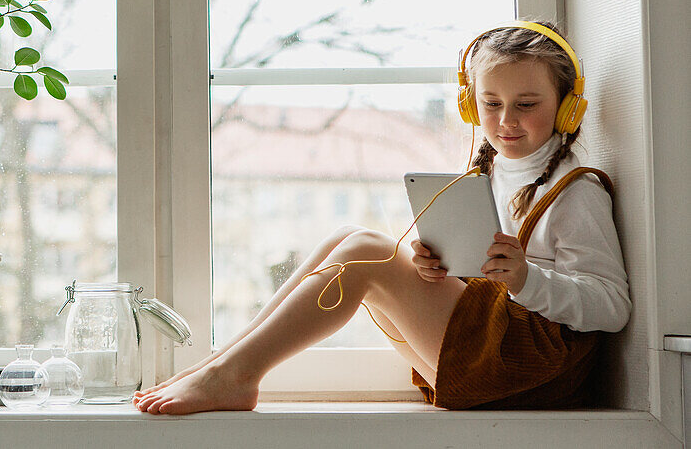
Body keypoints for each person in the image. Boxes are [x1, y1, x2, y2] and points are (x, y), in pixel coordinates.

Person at [133, 22, 631, 414]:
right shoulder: (489, 174)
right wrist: (439, 268)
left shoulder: (577, 191)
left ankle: (234, 377)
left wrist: (526, 278)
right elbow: (484, 281)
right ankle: (222, 366)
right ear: (468, 103)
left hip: (532, 371)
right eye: (490, 103)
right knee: (347, 237)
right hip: (495, 352)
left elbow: (613, 307)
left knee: (367, 251)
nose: (506, 120)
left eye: (527, 104)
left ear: (569, 107)